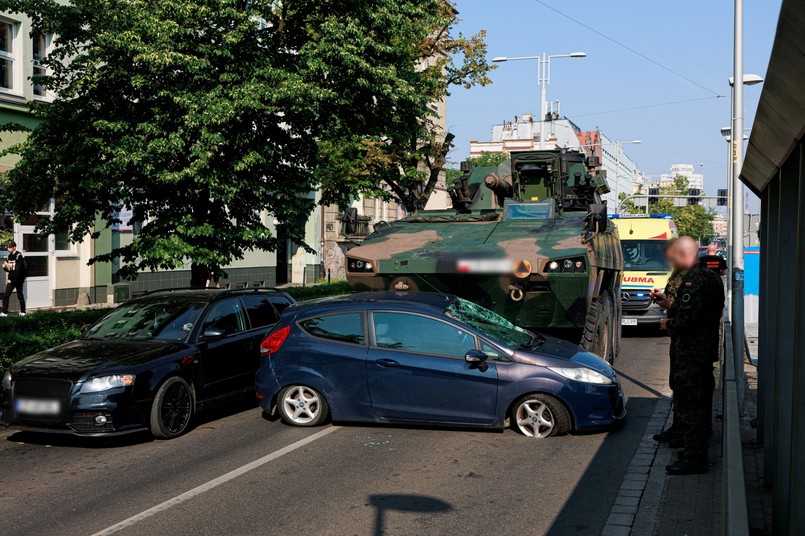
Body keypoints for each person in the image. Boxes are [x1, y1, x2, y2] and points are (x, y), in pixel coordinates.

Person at [659, 236, 725, 475]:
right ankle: (693, 451)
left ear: (684, 255)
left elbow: (688, 317)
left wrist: (670, 323)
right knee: (699, 400)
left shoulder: (695, 279)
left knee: (691, 404)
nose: (672, 261)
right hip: (702, 350)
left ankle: (695, 457)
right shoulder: (711, 277)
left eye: (674, 256)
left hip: (692, 351)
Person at [650, 238, 686, 448]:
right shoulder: (678, 274)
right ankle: (677, 427)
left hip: (690, 345)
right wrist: (663, 299)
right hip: (679, 342)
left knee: (686, 390)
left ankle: (687, 436)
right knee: (677, 386)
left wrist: (670, 320)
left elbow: (688, 312)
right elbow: (675, 303)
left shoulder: (692, 277)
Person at [1, 241, 28, 317]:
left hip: (18, 280)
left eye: (10, 247)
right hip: (11, 279)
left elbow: (18, 271)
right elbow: (10, 270)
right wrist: (5, 268)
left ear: (14, 247)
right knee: (6, 295)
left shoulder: (19, 256)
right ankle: (4, 312)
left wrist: (11, 280)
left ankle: (23, 312)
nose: (8, 249)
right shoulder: (9, 257)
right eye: (8, 247)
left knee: (20, 296)